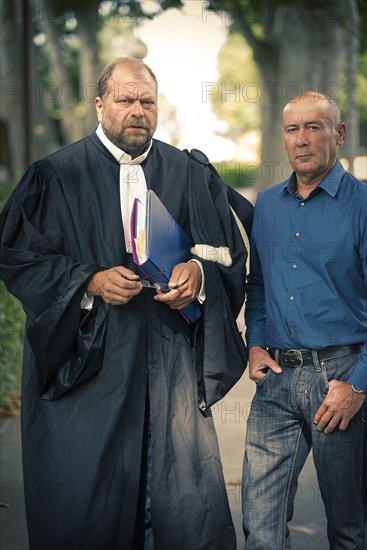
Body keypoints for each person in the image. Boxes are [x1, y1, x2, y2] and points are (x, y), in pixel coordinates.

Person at [0, 57, 253, 550]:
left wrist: (197, 274)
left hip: (170, 364)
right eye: (125, 100)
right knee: (90, 505)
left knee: (179, 505)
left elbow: (226, 255)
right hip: (89, 364)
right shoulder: (55, 176)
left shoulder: (187, 172)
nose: (137, 110)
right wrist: (88, 281)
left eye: (147, 102)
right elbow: (17, 258)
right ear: (99, 105)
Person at [242, 91, 367, 549]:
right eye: (292, 129)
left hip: (339, 381)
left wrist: (357, 385)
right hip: (275, 379)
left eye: (314, 127)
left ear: (339, 133)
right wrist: (255, 343)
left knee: (349, 529)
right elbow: (257, 287)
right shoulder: (268, 205)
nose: (302, 140)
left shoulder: (362, 206)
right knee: (260, 524)